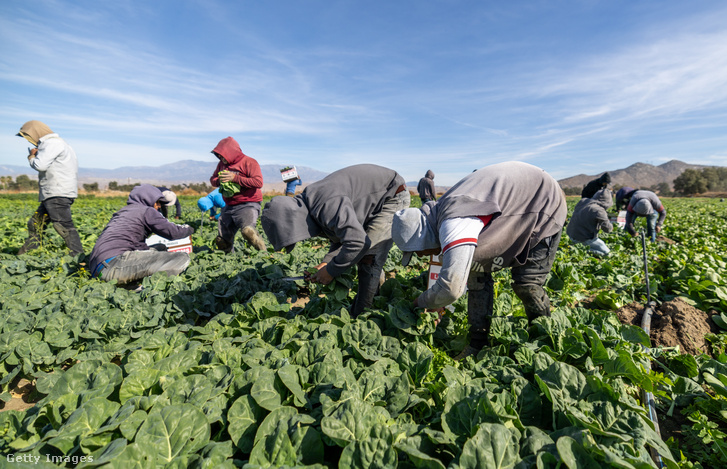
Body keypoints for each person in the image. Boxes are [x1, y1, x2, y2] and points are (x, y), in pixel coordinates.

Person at [391, 161, 566, 360]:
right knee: (476, 276)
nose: (421, 256)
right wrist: (437, 301)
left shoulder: (455, 221)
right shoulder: (441, 214)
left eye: (417, 251)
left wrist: (421, 302)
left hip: (542, 202)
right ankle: (478, 344)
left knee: (527, 284)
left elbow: (451, 288)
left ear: (424, 238)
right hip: (514, 206)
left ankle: (544, 349)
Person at [261, 164, 410, 317]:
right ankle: (376, 295)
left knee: (369, 258)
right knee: (365, 254)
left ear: (294, 222)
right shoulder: (312, 204)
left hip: (391, 195)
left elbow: (358, 242)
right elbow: (342, 237)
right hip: (373, 202)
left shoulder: (326, 203)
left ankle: (362, 317)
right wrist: (326, 263)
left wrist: (331, 271)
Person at [88, 185, 194, 286]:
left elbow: (135, 244)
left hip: (97, 268)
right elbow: (174, 232)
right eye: (158, 202)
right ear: (149, 199)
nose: (159, 206)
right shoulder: (147, 211)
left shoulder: (123, 212)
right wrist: (189, 228)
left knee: (160, 248)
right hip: (114, 266)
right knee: (182, 258)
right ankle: (148, 287)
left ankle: (129, 284)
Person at [16, 120, 84, 257]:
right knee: (35, 223)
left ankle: (79, 258)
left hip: (57, 193)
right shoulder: (60, 144)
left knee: (63, 226)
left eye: (28, 137)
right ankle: (29, 253)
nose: (29, 141)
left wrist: (31, 156)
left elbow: (40, 165)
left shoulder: (52, 143)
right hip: (57, 192)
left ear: (34, 133)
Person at [209, 137, 266, 251]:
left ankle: (264, 256)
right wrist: (219, 180)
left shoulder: (249, 162)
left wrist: (235, 178)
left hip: (248, 203)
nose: (220, 157)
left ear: (230, 152)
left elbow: (258, 182)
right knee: (222, 240)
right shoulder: (221, 164)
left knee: (248, 232)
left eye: (222, 155)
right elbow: (213, 179)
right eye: (218, 155)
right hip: (229, 205)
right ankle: (228, 262)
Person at [566, 189, 613, 256]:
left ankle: (576, 246)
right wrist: (610, 223)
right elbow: (608, 229)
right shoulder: (599, 210)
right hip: (584, 238)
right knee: (608, 253)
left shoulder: (583, 201)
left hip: (571, 235)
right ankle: (584, 250)